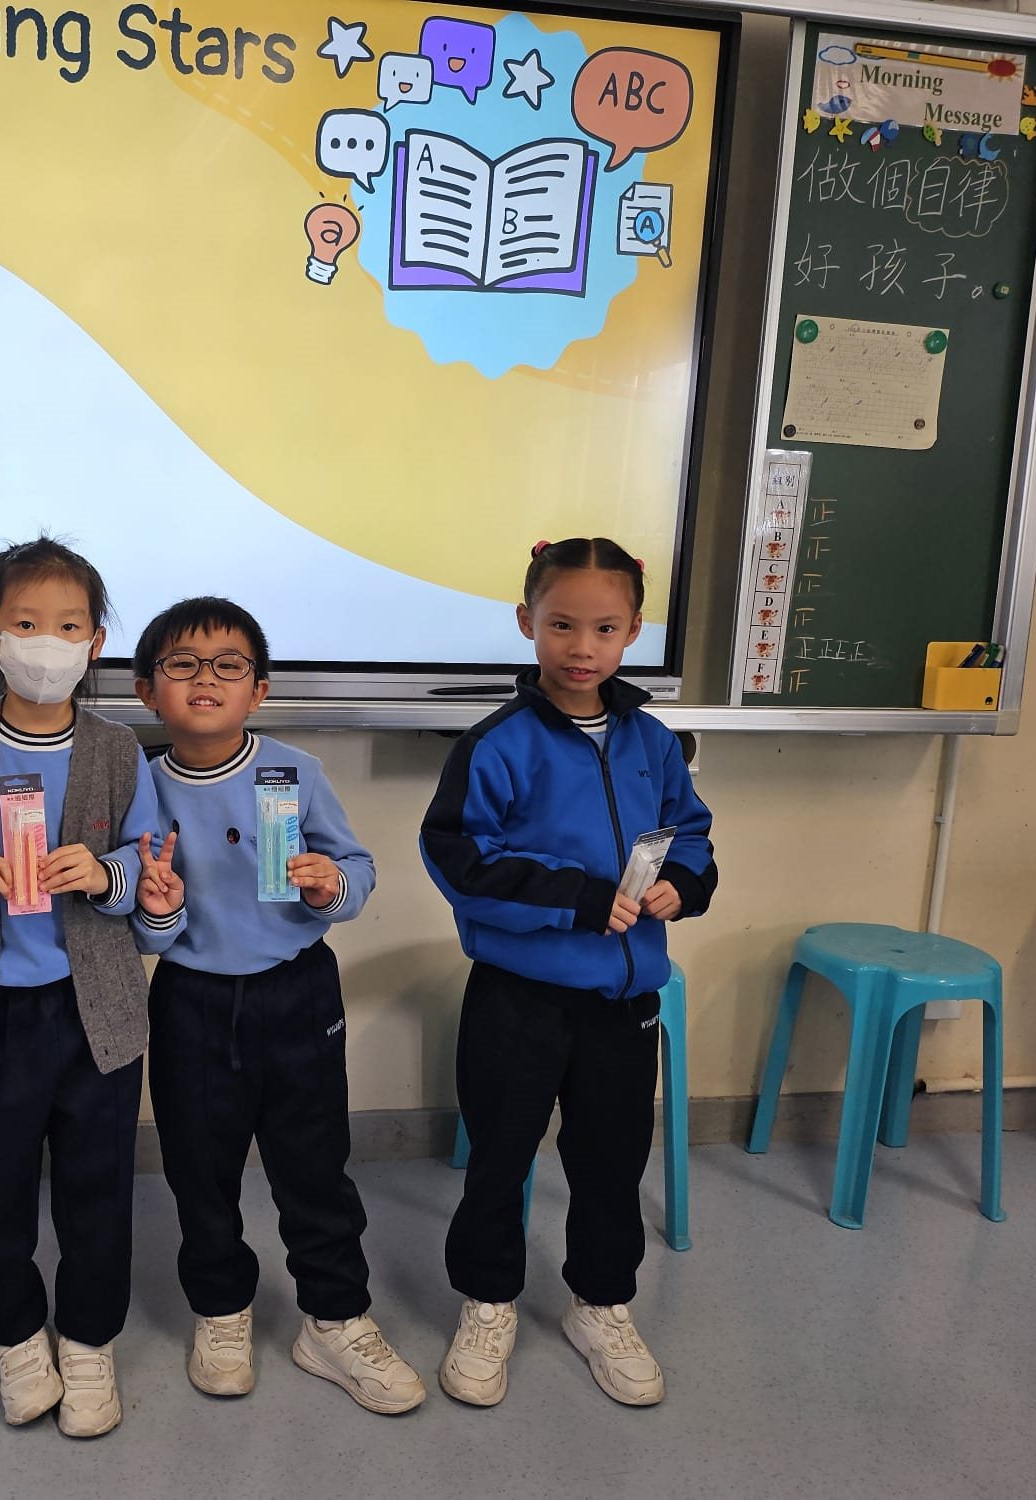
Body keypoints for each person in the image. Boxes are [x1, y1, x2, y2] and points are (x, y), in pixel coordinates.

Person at [420, 539, 716, 1410]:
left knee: (611, 1160)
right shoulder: (496, 744)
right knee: (500, 1156)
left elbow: (689, 830)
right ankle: (488, 1302)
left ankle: (601, 1303)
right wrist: (578, 899)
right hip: (518, 999)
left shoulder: (653, 741)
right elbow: (461, 861)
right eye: (561, 625)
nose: (582, 647)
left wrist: (684, 883)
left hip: (623, 1000)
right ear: (527, 623)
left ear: (633, 632)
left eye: (605, 628)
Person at [0, 538, 183, 1438]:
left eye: (68, 627)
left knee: (97, 1191)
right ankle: (18, 1340)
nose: (46, 643)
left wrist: (103, 874)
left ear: (95, 642)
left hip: (99, 1014)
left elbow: (146, 866)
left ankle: (90, 1343)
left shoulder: (117, 749)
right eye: (26, 623)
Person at [130, 595, 427, 1415]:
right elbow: (145, 930)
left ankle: (334, 1318)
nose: (206, 679)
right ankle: (221, 1310)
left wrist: (331, 885)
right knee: (200, 1171)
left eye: (229, 665)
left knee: (314, 1166)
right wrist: (159, 908)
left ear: (258, 689)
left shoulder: (297, 770)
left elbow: (357, 869)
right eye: (182, 664)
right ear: (147, 689)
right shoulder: (139, 787)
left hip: (298, 993)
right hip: (190, 1000)